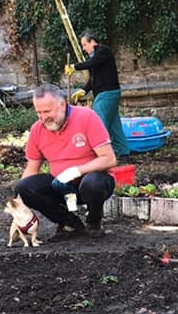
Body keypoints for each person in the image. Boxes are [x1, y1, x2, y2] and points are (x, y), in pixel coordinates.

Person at [13, 83, 116, 241]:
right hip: (60, 187)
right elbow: (31, 170)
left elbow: (109, 158)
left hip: (90, 184)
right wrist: (18, 204)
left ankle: (94, 220)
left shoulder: (86, 117)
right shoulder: (37, 129)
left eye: (47, 111)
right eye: (38, 112)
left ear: (62, 104)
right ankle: (69, 223)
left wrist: (77, 171)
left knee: (92, 183)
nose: (43, 117)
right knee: (23, 187)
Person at [71, 32, 131, 159]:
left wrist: (74, 67)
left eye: (85, 45)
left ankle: (101, 153)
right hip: (110, 93)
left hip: (107, 94)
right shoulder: (96, 59)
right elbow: (93, 79)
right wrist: (83, 90)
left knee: (99, 123)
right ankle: (122, 151)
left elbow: (91, 63)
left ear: (93, 42)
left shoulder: (103, 51)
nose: (84, 48)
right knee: (114, 125)